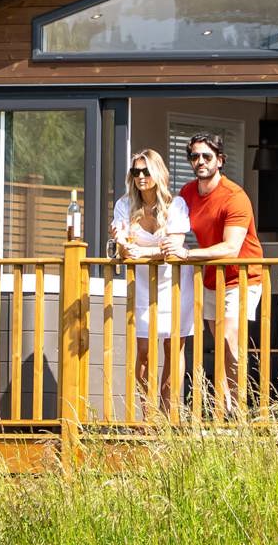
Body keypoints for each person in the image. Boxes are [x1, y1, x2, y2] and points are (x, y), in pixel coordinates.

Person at [161, 132, 263, 414]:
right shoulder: (187, 193)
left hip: (241, 275)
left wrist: (188, 255)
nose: (200, 161)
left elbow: (231, 248)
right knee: (217, 341)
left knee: (229, 338)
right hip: (210, 277)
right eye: (194, 156)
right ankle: (225, 405)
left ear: (220, 160)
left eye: (207, 156)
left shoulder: (235, 197)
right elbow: (170, 226)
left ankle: (233, 409)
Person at [111, 149, 194, 414]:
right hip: (144, 285)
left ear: (158, 173)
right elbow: (123, 248)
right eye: (136, 172)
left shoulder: (176, 205)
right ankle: (148, 413)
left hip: (175, 284)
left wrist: (143, 252)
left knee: (173, 346)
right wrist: (122, 244)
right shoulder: (125, 205)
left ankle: (168, 411)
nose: (141, 177)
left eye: (146, 171)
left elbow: (174, 247)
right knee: (144, 349)